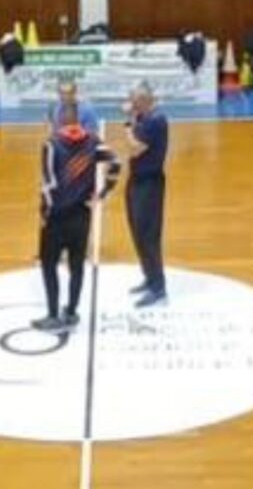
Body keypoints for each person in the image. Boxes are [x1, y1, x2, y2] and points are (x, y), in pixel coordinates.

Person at [35, 105, 113, 333]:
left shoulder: (51, 144)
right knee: (77, 265)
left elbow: (49, 184)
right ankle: (71, 312)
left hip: (57, 217)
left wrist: (44, 213)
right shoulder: (94, 141)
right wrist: (103, 193)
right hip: (82, 214)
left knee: (49, 265)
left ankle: (52, 315)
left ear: (59, 120)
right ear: (77, 120)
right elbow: (116, 163)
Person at [117, 80, 170, 307]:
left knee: (148, 235)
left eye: (135, 101)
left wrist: (128, 123)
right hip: (136, 180)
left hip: (149, 183)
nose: (132, 105)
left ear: (146, 101)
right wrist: (134, 117)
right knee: (137, 231)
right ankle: (149, 278)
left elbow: (134, 147)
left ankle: (158, 287)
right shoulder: (144, 116)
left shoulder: (156, 121)